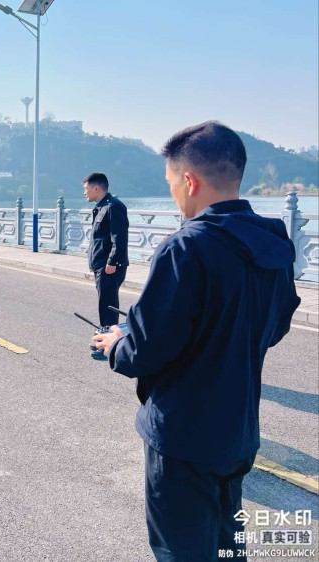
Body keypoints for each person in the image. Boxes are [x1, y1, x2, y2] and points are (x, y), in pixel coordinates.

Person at [92, 121, 300, 562]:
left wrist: (116, 344)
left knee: (181, 550)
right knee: (227, 546)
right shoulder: (273, 241)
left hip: (183, 435)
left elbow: (146, 350)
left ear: (189, 181)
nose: (173, 194)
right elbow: (274, 327)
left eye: (171, 184)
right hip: (238, 432)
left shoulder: (186, 247)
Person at [83, 172, 129, 329]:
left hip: (109, 266)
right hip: (101, 265)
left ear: (96, 188)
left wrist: (113, 261)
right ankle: (106, 336)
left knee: (108, 307)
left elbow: (119, 237)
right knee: (105, 304)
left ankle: (110, 339)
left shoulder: (114, 206)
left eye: (86, 189)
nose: (84, 193)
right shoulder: (102, 207)